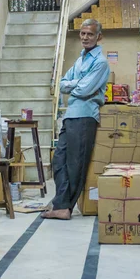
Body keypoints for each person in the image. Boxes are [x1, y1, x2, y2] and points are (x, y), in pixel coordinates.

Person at [42, 19, 110, 220]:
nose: (85, 37)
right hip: (71, 115)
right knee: (59, 160)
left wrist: (75, 84)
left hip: (85, 115)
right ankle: (60, 202)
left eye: (90, 34)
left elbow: (84, 90)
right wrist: (77, 84)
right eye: (82, 34)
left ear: (99, 36)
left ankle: (66, 207)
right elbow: (61, 85)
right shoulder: (80, 60)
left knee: (76, 164)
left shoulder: (101, 62)